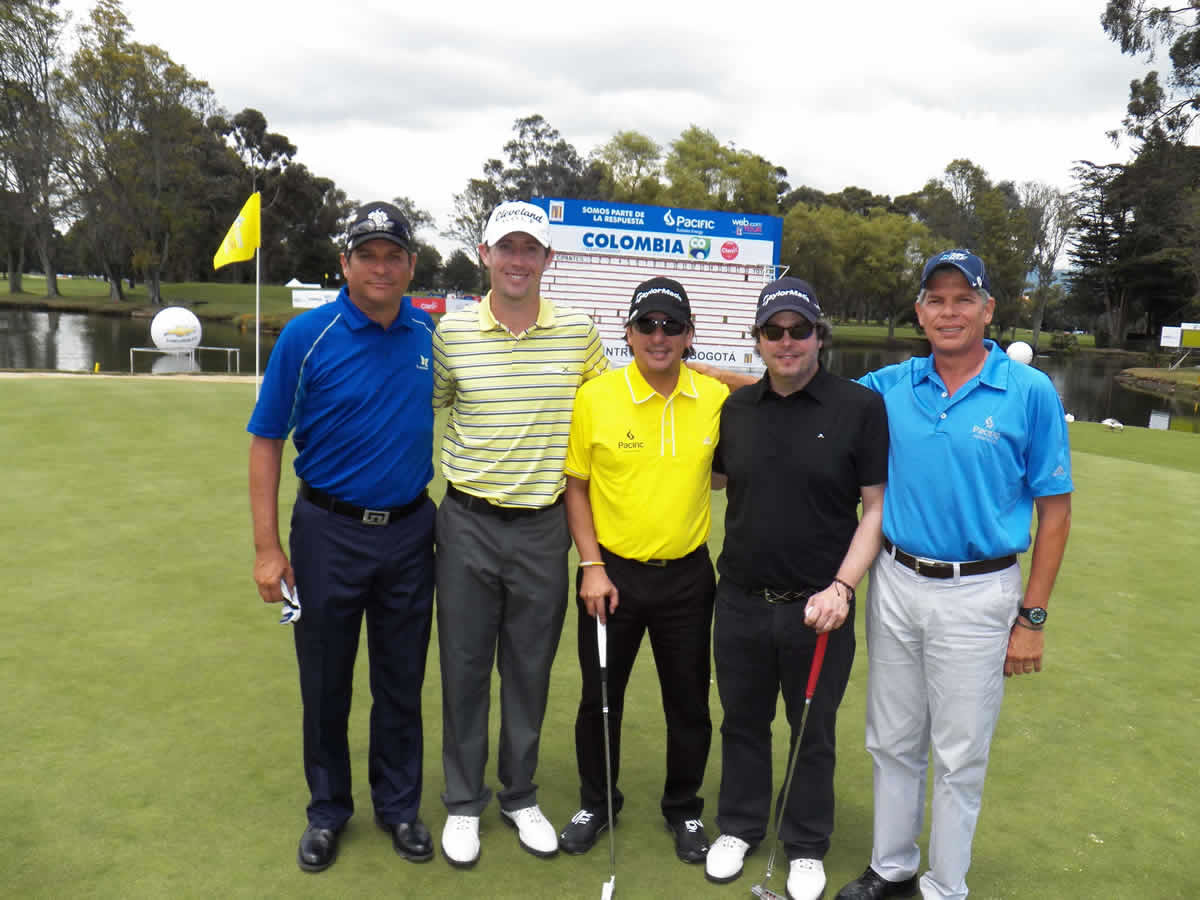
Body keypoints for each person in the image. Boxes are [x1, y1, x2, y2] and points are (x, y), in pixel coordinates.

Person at [834, 250, 1073, 900]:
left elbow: (1054, 513)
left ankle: (944, 886)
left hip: (979, 590)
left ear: (988, 309)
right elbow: (810, 396)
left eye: (963, 298)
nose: (949, 311)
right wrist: (701, 373)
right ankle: (891, 867)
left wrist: (1033, 618)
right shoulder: (893, 383)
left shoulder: (1029, 391)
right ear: (919, 312)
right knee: (892, 740)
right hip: (896, 580)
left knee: (959, 754)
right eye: (936, 300)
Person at [247, 201, 437, 873]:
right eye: (368, 255)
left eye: (393, 256)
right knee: (326, 680)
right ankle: (328, 811)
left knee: (401, 680)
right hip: (326, 533)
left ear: (410, 266)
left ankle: (399, 807)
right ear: (345, 264)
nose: (381, 268)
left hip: (411, 533)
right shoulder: (308, 335)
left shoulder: (429, 334)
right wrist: (268, 549)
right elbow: (266, 438)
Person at [432, 200, 608, 868]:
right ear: (484, 254)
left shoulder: (579, 333)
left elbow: (605, 415)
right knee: (465, 666)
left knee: (529, 670)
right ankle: (462, 801)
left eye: (529, 248)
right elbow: (429, 405)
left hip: (542, 527)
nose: (517, 260)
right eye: (505, 247)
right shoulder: (451, 334)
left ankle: (519, 794)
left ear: (547, 259)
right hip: (467, 522)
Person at [703, 278, 889, 900]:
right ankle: (739, 826)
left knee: (812, 729)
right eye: (773, 331)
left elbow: (875, 509)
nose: (787, 342)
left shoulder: (859, 408)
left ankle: (806, 844)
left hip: (820, 605)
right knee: (742, 721)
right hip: (740, 598)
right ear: (757, 340)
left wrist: (844, 586)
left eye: (799, 330)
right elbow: (717, 481)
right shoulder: (737, 410)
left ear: (818, 336)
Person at [556, 277, 729, 866]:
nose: (659, 336)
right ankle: (598, 801)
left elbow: (761, 410)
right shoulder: (596, 396)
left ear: (689, 335)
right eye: (647, 325)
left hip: (687, 576)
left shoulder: (713, 397)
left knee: (689, 702)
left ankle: (684, 808)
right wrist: (591, 566)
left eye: (671, 326)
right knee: (600, 697)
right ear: (627, 333)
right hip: (611, 576)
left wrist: (724, 375)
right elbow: (576, 487)